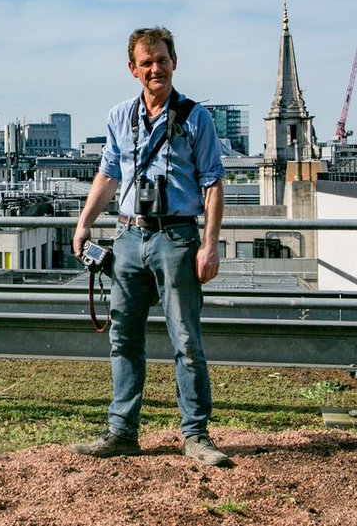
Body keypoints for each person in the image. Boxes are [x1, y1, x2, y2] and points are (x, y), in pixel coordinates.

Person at [69, 26, 230, 467]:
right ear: (132, 69)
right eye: (146, 62)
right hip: (127, 238)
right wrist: (84, 224)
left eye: (161, 59)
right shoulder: (120, 116)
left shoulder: (196, 118)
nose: (155, 68)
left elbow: (213, 183)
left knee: (185, 339)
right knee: (123, 337)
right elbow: (107, 175)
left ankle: (195, 435)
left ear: (174, 62)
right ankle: (122, 431)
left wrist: (210, 245)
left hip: (177, 238)